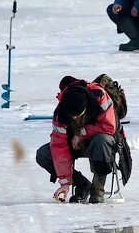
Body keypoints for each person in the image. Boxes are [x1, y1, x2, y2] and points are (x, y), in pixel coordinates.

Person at [35, 76, 118, 204]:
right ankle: (82, 184)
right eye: (71, 116)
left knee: (102, 141)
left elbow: (108, 127)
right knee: (43, 154)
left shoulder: (99, 95)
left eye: (77, 115)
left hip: (101, 141)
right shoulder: (60, 113)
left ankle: (97, 189)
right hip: (74, 145)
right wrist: (65, 183)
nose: (73, 118)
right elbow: (59, 147)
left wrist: (81, 133)